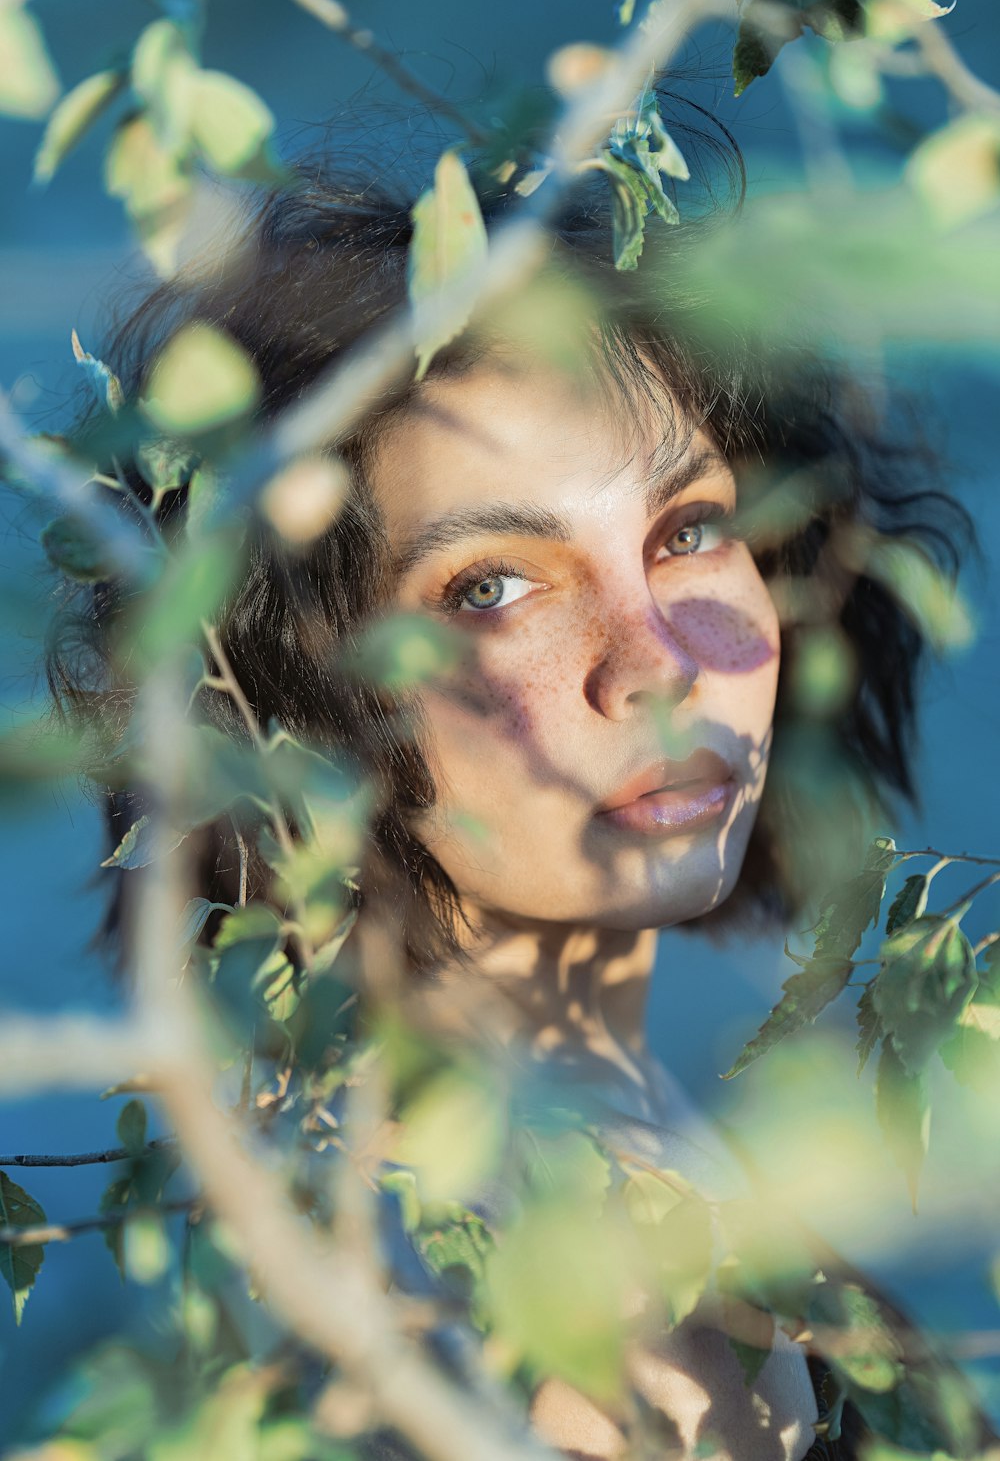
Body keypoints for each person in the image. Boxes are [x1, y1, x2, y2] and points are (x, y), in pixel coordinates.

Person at [47, 104, 985, 1460]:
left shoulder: (334, 1158)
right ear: (301, 700)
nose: (654, 663)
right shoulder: (591, 1299)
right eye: (491, 587)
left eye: (689, 529)